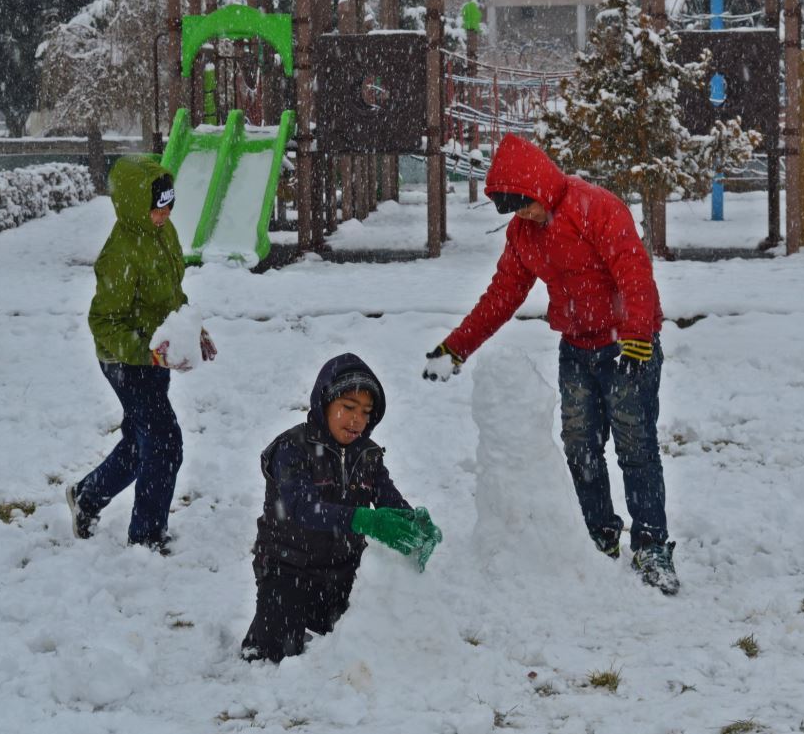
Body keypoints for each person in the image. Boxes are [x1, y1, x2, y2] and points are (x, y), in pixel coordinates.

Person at [421, 134, 678, 595]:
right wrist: (456, 346)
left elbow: (633, 268)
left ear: (539, 188)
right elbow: (502, 295)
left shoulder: (595, 207)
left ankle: (651, 545)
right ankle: (598, 535)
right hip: (577, 348)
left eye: (525, 205)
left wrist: (638, 335)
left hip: (626, 347)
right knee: (580, 446)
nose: (523, 215)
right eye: (513, 209)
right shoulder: (523, 235)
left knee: (635, 446)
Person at [242, 354, 441, 662]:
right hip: (288, 565)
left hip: (344, 570)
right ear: (324, 403)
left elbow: (390, 500)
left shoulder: (369, 455)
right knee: (274, 653)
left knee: (371, 639)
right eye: (348, 407)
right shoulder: (292, 447)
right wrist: (363, 519)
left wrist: (413, 522)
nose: (356, 419)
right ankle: (274, 631)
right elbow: (302, 507)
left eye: (365, 411)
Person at [66, 156, 214, 552]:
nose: (164, 215)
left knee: (140, 441)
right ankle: (146, 536)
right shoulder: (121, 253)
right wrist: (145, 353)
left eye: (168, 206)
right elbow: (104, 323)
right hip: (124, 361)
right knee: (165, 444)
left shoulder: (163, 234)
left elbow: (172, 293)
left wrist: (190, 331)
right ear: (134, 204)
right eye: (156, 207)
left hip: (155, 356)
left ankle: (87, 497)